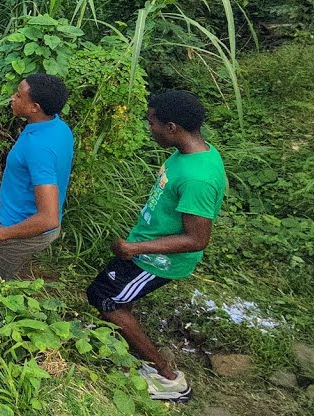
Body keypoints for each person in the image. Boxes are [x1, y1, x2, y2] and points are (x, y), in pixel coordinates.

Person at [86, 91, 226, 403]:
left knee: (105, 297)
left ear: (172, 126)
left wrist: (136, 249)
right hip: (145, 246)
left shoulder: (198, 178)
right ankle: (118, 342)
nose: (150, 128)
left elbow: (197, 239)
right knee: (115, 295)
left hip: (157, 259)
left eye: (153, 123)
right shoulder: (188, 154)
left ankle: (167, 378)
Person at [0, 74, 74, 293]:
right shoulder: (58, 127)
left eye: (18, 95)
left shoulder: (39, 147)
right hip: (14, 214)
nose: (12, 98)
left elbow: (48, 218)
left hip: (18, 226)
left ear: (35, 107)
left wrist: (4, 234)